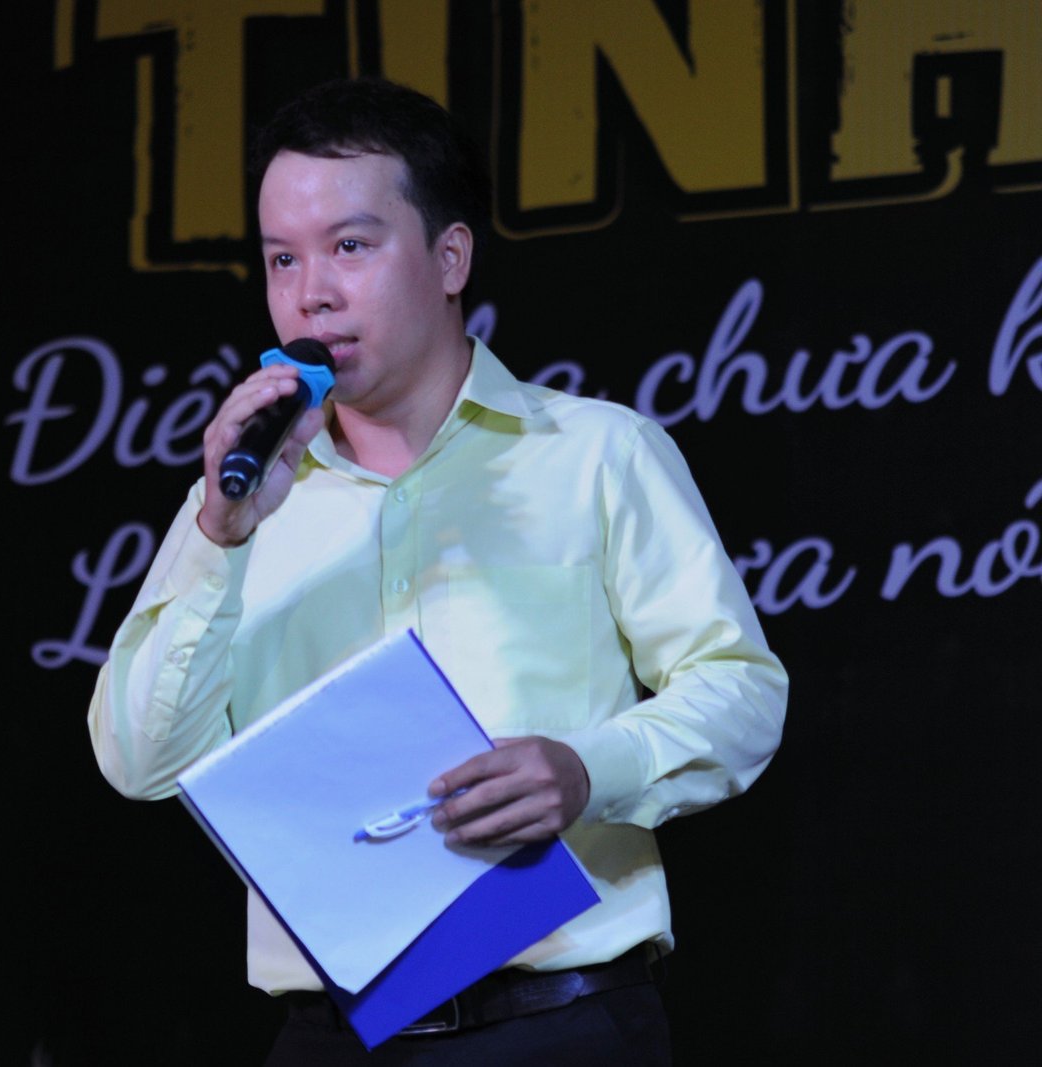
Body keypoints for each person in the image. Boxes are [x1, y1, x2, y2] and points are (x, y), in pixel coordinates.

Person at [87, 77, 786, 1064]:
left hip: (557, 1023)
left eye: (350, 246)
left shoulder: (595, 453)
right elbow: (138, 761)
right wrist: (220, 535)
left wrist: (589, 769)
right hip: (330, 1035)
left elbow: (742, 689)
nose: (310, 292)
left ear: (450, 257)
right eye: (282, 258)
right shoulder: (241, 498)